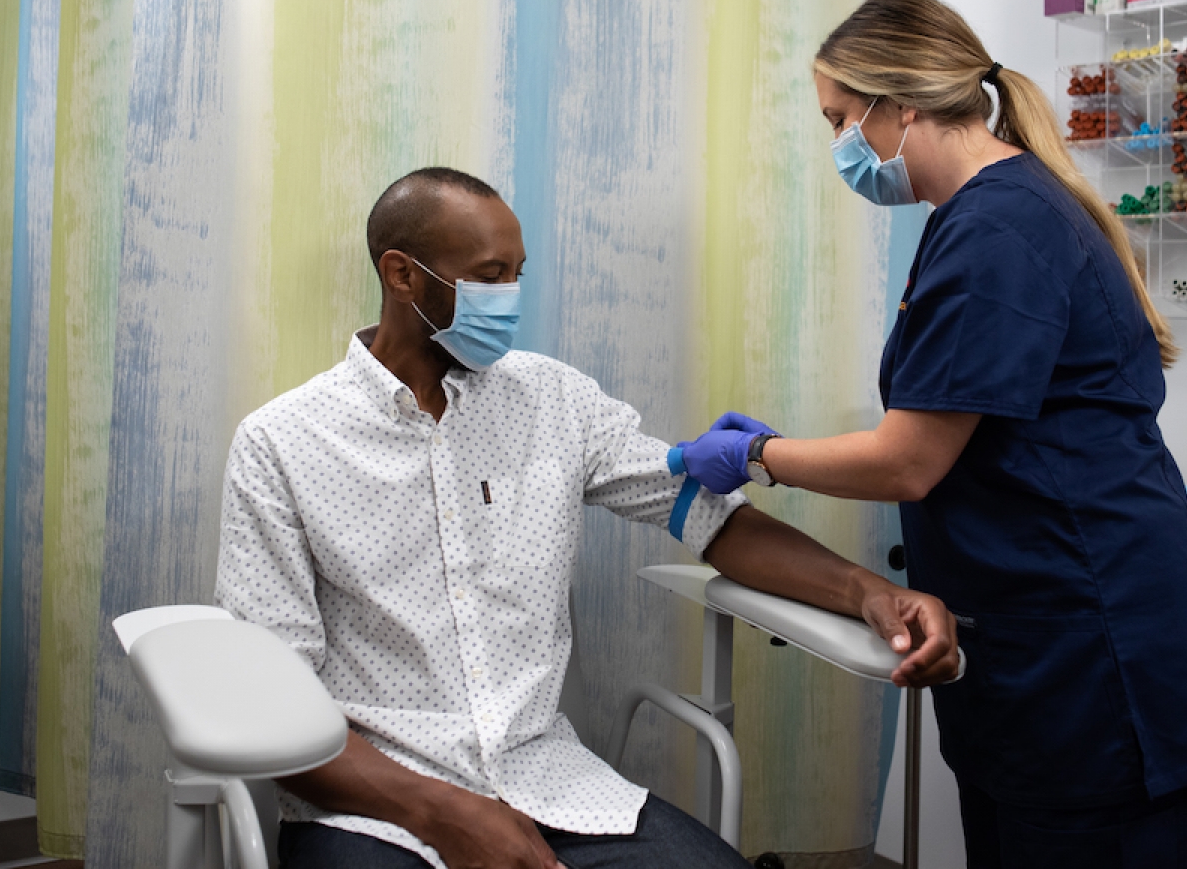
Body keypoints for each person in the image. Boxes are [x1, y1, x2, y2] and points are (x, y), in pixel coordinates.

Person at [214, 166, 961, 869]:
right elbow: (275, 704)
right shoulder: (283, 444)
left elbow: (713, 522)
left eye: (517, 273)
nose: (509, 297)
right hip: (371, 809)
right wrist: (446, 814)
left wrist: (869, 592)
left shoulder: (552, 402)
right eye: (486, 276)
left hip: (553, 787)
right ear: (402, 274)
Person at [676, 0, 1187, 869]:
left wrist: (758, 457)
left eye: (842, 119)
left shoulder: (999, 224)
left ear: (900, 103)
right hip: (1042, 635)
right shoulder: (987, 212)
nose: (841, 144)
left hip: (1094, 656)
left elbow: (910, 460)